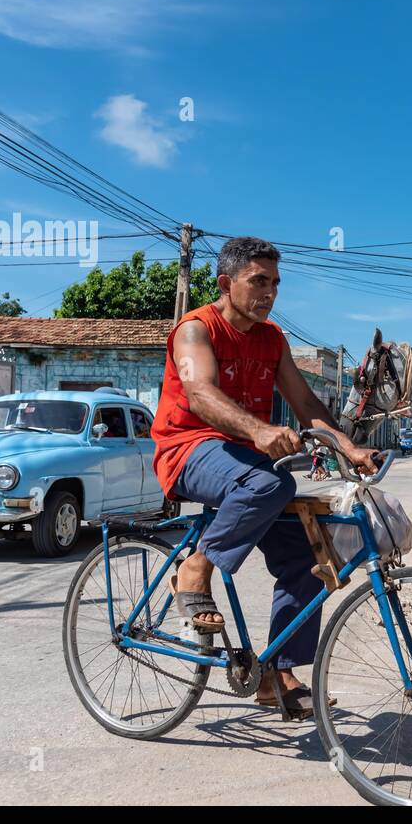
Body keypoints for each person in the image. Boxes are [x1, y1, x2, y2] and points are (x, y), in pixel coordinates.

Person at [151, 236, 378, 719]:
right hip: (187, 449)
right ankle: (195, 570)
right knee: (272, 484)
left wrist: (347, 446)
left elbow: (307, 405)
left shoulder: (272, 338)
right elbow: (199, 393)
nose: (270, 292)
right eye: (259, 281)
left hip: (242, 459)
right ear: (226, 284)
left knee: (306, 554)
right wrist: (258, 429)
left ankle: (277, 674)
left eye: (275, 282)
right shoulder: (195, 330)